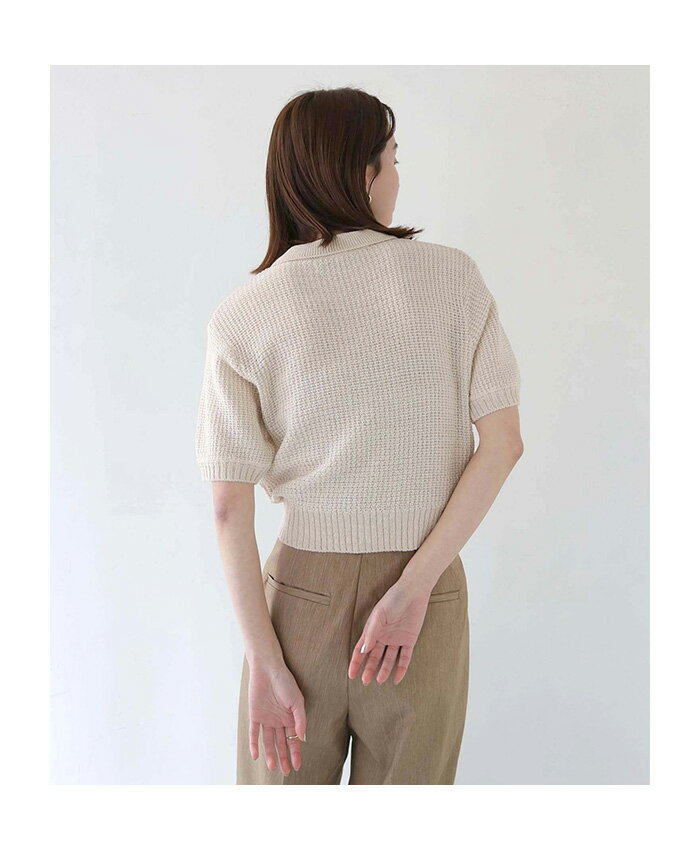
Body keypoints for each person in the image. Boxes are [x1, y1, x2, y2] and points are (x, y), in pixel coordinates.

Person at [195, 86, 524, 785]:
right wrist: (412, 589)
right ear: (361, 171)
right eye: (392, 159)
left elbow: (228, 507)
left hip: (299, 601)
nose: (397, 177)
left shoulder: (245, 313)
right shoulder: (452, 279)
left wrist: (264, 661)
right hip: (424, 594)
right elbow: (502, 444)